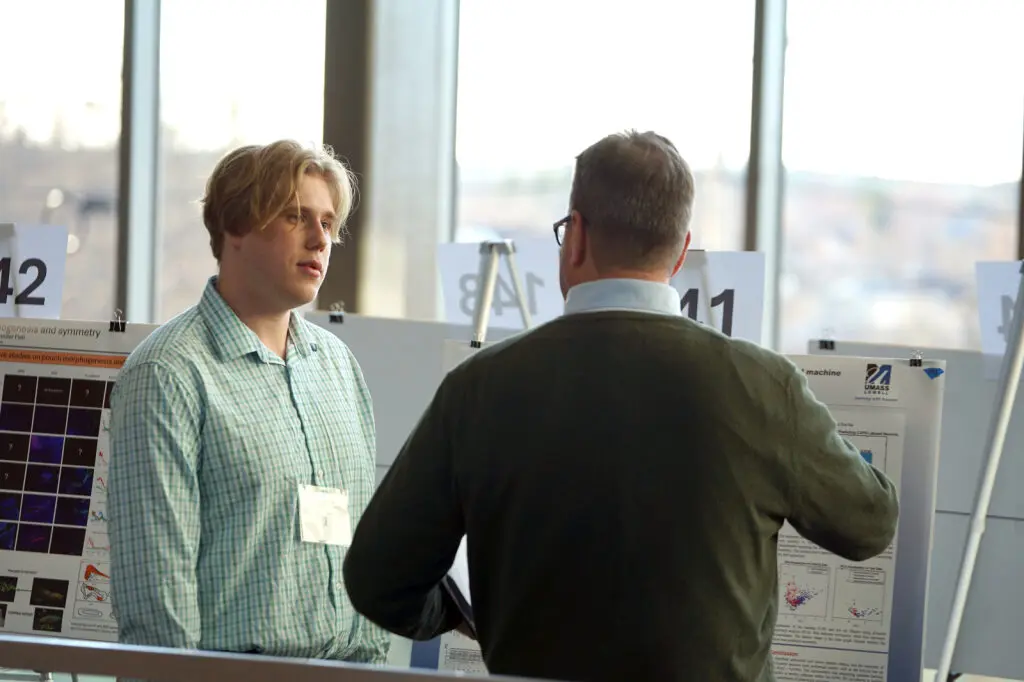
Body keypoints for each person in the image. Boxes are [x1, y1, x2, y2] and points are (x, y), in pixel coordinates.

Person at [341, 130, 899, 681]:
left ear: (575, 235)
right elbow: (869, 523)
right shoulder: (764, 385)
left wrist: (466, 617)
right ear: (680, 253)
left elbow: (377, 578)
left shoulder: (478, 388)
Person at [107, 140, 390, 664]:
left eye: (328, 223)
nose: (319, 239)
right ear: (236, 227)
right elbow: (156, 595)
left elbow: (362, 553)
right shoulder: (168, 374)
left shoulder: (338, 367)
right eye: (295, 216)